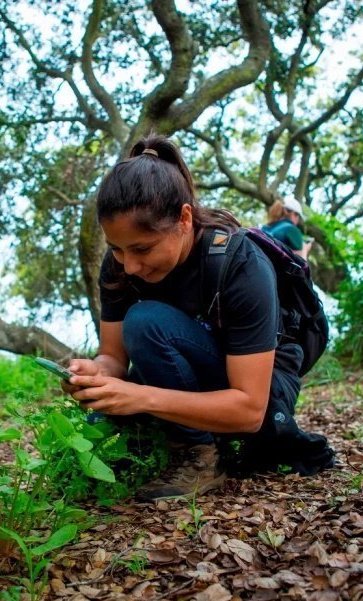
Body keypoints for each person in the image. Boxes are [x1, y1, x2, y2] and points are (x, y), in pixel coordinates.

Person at [62, 135, 333, 501]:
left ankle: (200, 455)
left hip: (258, 391)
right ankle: (179, 437)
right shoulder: (119, 267)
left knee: (145, 321)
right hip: (190, 372)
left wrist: (141, 396)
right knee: (101, 418)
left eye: (143, 248)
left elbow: (249, 409)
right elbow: (113, 357)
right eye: (117, 249)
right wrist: (96, 374)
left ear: (184, 218)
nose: (130, 265)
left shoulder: (239, 263)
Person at [262, 195, 313, 260]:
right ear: (294, 214)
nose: (298, 220)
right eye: (299, 217)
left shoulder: (265, 228)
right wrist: (305, 249)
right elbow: (301, 264)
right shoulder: (292, 229)